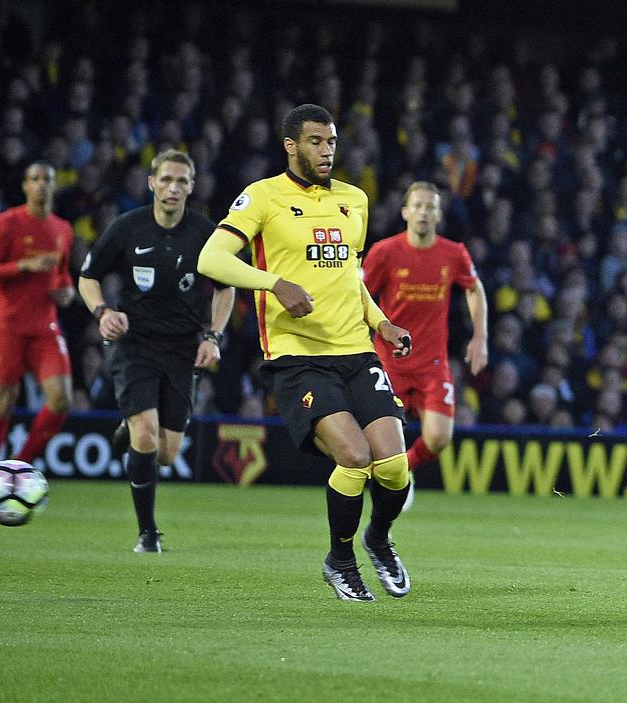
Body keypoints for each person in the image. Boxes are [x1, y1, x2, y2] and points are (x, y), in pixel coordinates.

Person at [197, 104, 414, 602]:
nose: (327, 150)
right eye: (316, 141)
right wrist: (275, 283)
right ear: (291, 145)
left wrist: (382, 322)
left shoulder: (354, 200)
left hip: (358, 350)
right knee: (355, 457)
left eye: (332, 141)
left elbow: (349, 278)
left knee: (395, 465)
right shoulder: (262, 197)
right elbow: (212, 257)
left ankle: (378, 539)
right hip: (298, 357)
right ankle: (340, 559)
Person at [77, 149, 234, 554]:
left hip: (183, 348)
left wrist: (212, 336)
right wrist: (102, 312)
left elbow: (226, 287)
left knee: (166, 453)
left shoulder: (205, 234)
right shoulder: (127, 228)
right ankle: (147, 533)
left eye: (181, 181)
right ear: (151, 183)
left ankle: (127, 430)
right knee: (147, 437)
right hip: (136, 345)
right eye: (165, 180)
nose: (173, 188)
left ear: (191, 187)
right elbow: (88, 277)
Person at [363, 181, 488, 510]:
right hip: (390, 361)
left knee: (438, 438)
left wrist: (480, 337)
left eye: (430, 206)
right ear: (405, 212)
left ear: (438, 214)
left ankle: (403, 469)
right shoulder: (385, 252)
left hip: (433, 364)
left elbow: (474, 289)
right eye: (417, 205)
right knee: (375, 441)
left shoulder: (453, 253)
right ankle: (385, 480)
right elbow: (360, 297)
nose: (423, 212)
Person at [0, 162, 74, 472]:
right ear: (25, 187)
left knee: (61, 399)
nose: (41, 184)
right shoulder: (6, 223)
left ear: (54, 186)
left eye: (47, 179)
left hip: (45, 326)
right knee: (4, 399)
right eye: (35, 179)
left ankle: (18, 467)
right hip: (8, 325)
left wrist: (67, 292)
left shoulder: (63, 229)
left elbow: (62, 277)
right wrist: (23, 266)